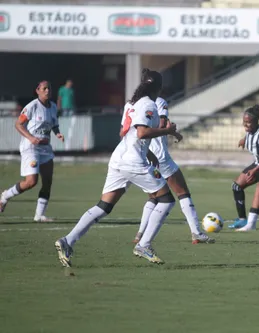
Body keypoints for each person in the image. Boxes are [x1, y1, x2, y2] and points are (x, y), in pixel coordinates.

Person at [54, 69, 177, 267]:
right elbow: (142, 132)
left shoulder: (134, 103)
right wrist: (167, 131)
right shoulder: (148, 104)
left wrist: (149, 153)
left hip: (120, 158)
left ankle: (68, 241)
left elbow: (128, 134)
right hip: (132, 161)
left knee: (103, 206)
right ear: (159, 88)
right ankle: (144, 244)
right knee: (166, 200)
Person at [129, 96, 215, 245]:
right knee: (182, 193)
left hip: (143, 155)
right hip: (160, 156)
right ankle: (196, 233)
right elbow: (162, 124)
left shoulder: (135, 103)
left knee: (153, 198)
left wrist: (174, 133)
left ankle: (139, 235)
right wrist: (171, 130)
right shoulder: (159, 101)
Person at [0, 81, 65, 221]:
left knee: (47, 182)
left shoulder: (53, 107)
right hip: (31, 148)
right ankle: (5, 196)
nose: (47, 91)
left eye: (49, 88)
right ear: (38, 90)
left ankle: (39, 215)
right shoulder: (32, 106)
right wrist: (31, 137)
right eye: (44, 88)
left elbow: (54, 125)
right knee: (31, 181)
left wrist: (58, 133)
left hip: (46, 149)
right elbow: (18, 124)